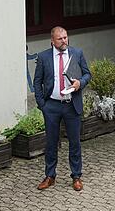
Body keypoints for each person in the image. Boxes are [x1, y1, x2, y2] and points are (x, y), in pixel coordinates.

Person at [33, 26, 91, 191]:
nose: (64, 41)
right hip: (51, 105)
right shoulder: (44, 57)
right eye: (60, 38)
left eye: (65, 37)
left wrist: (81, 83)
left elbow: (87, 74)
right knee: (51, 143)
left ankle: (76, 176)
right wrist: (41, 104)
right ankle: (50, 176)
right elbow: (37, 82)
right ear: (52, 41)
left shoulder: (76, 53)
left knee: (74, 142)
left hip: (71, 105)